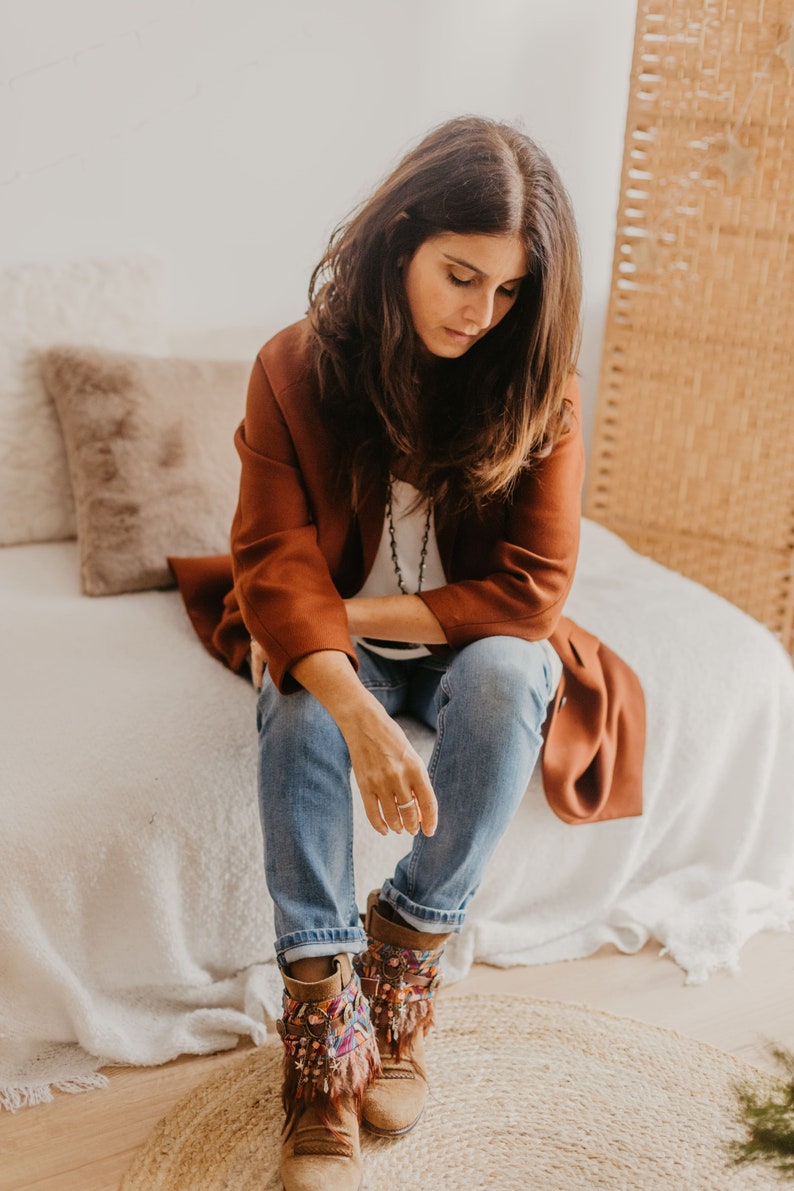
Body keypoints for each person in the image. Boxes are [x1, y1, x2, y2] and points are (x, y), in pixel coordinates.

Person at [171, 114, 644, 1191]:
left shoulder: (540, 385)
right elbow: (273, 564)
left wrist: (350, 614)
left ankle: (406, 953)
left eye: (510, 291)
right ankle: (319, 1027)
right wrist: (349, 697)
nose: (481, 313)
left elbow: (531, 590)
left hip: (458, 636)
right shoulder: (294, 366)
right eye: (460, 276)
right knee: (301, 702)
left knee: (513, 671)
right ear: (399, 243)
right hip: (331, 638)